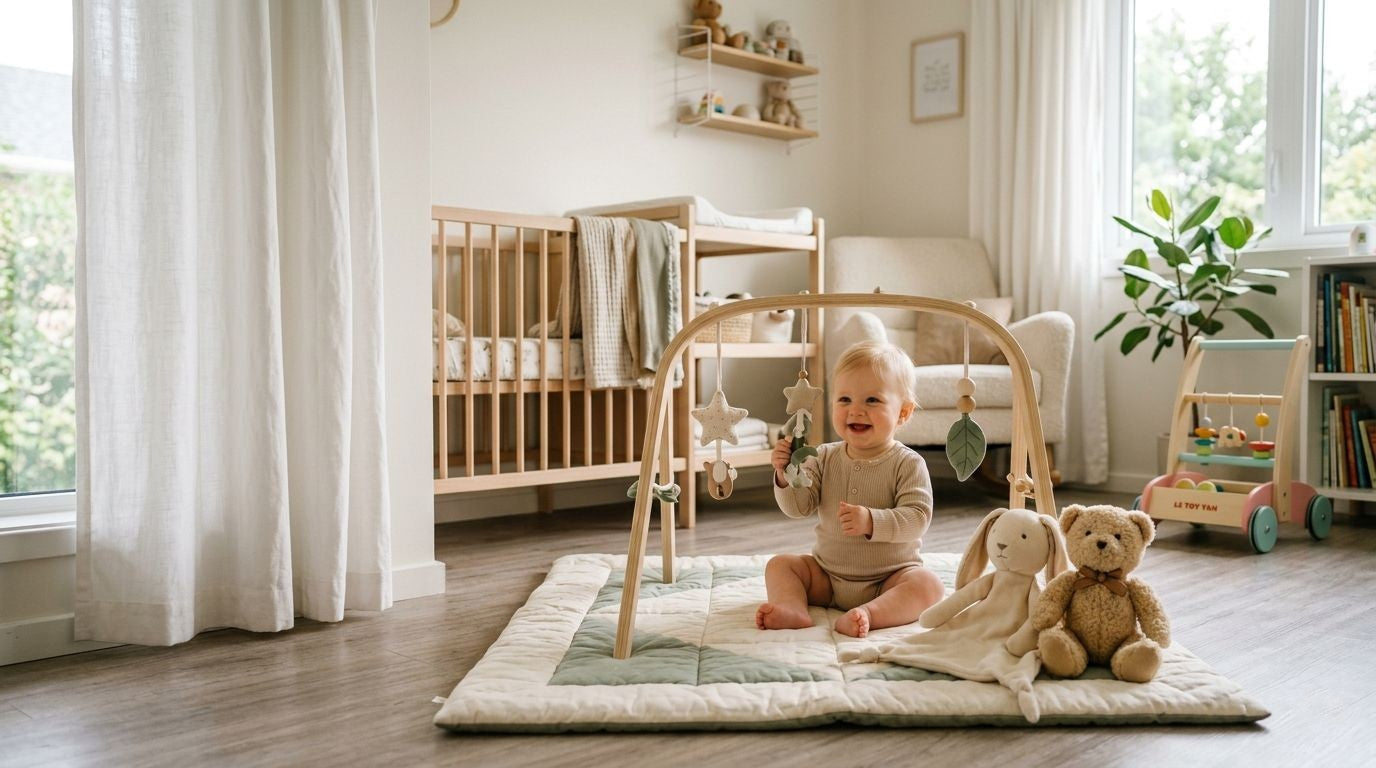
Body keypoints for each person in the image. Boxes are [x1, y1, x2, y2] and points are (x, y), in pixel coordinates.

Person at [755, 341, 945, 638]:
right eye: (844, 399)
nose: (856, 410)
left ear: (903, 413)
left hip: (889, 578)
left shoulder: (908, 463)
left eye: (872, 400)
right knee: (780, 565)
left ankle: (870, 613)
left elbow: (918, 517)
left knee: (928, 585)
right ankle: (792, 608)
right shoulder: (822, 457)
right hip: (827, 577)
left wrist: (872, 521)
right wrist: (785, 474)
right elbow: (798, 508)